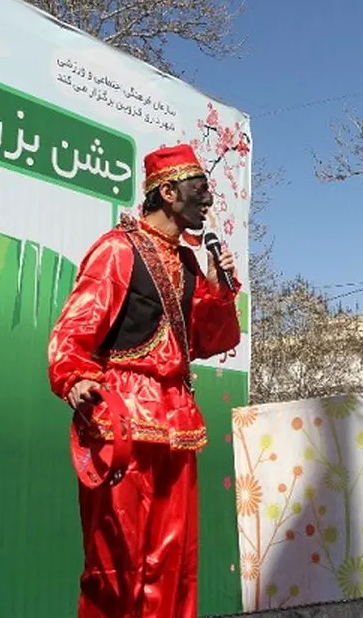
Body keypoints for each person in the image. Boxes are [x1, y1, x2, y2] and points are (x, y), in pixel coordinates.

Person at [47, 144, 242, 618]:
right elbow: (74, 331)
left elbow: (208, 340)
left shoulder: (193, 264)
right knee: (118, 562)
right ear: (168, 191)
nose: (207, 203)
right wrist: (74, 376)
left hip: (177, 418)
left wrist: (218, 290)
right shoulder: (117, 250)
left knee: (173, 560)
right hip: (124, 418)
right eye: (199, 191)